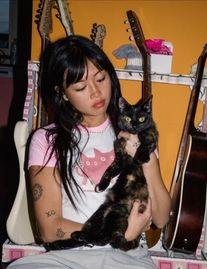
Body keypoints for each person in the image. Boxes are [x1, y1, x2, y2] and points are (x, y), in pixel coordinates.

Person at [8, 35, 171, 269]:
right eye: (81, 87)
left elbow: (161, 217)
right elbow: (50, 229)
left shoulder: (133, 129)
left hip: (128, 257)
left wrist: (147, 158)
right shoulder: (46, 140)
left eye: (101, 78)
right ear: (62, 93)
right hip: (66, 255)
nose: (96, 92)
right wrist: (118, 233)